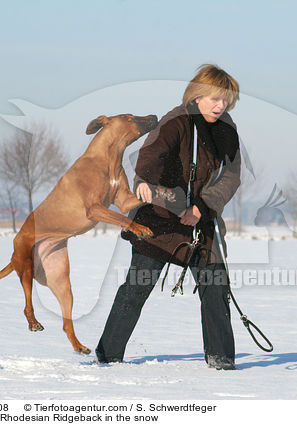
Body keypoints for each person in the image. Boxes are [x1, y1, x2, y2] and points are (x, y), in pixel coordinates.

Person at [95, 64, 241, 370]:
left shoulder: (227, 131)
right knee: (137, 287)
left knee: (215, 287)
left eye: (226, 101)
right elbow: (151, 155)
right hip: (160, 219)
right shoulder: (176, 121)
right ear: (198, 96)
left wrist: (201, 207)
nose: (220, 105)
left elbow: (231, 177)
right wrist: (145, 182)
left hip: (202, 220)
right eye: (215, 98)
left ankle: (222, 361)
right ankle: (108, 356)